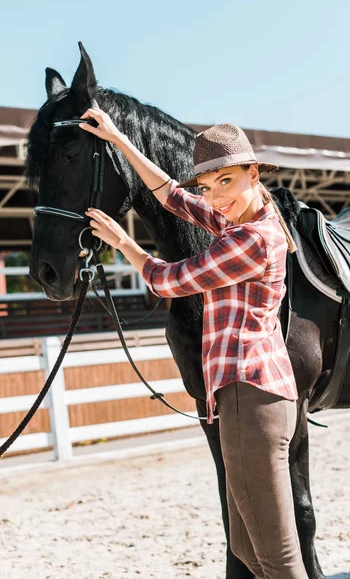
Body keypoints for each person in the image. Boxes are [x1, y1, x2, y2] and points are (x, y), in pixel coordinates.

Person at [80, 109, 308, 579]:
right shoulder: (241, 222)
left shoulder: (251, 241)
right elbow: (172, 195)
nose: (216, 197)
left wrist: (124, 243)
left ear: (253, 173)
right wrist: (120, 140)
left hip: (252, 397)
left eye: (226, 181)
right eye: (209, 187)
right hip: (247, 396)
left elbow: (170, 280)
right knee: (248, 550)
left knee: (279, 560)